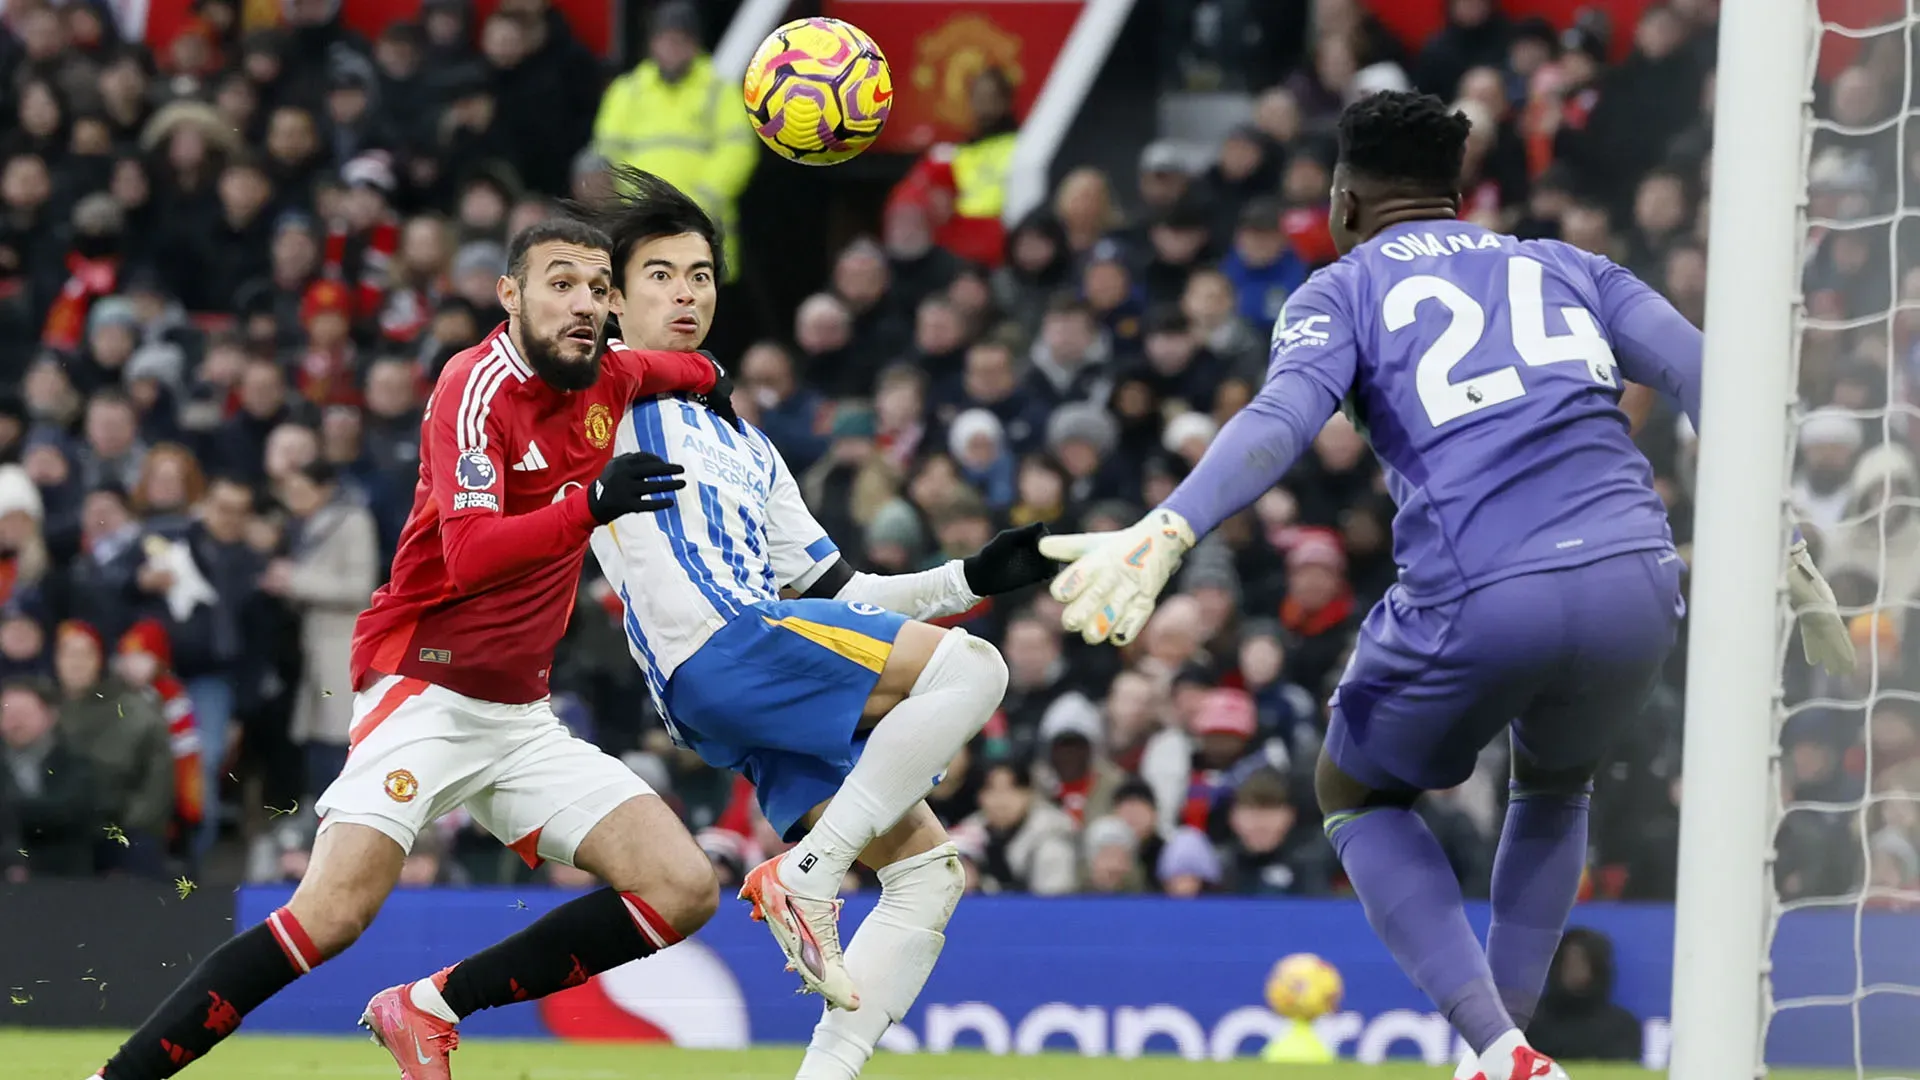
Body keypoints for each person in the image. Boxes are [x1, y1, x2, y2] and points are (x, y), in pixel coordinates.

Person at [1038, 91, 1858, 1080]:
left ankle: (1494, 1044)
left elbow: (1280, 418)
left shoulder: (1340, 290)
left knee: (1353, 791)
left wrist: (1170, 526)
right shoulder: (1565, 265)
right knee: (1554, 790)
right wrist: (1785, 538)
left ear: (1344, 203)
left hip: (1485, 586)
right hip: (1634, 583)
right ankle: (1507, 1054)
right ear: (1456, 195)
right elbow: (1717, 380)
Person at [92, 217, 725, 1080]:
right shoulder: (475, 388)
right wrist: (590, 504)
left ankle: (427, 1006)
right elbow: (468, 554)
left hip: (520, 717)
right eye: (561, 284)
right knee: (332, 916)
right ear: (511, 295)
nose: (584, 304)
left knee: (684, 887)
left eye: (598, 289)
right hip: (423, 691)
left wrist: (712, 383)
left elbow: (688, 366)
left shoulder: (612, 374)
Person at [577, 169, 1053, 1079]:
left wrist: (966, 576)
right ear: (614, 298)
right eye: (662, 277)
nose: (687, 295)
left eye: (702, 277)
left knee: (927, 872)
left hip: (756, 668)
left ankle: (824, 1072)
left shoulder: (746, 441)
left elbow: (840, 588)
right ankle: (807, 872)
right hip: (723, 645)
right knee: (974, 672)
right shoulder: (592, 402)